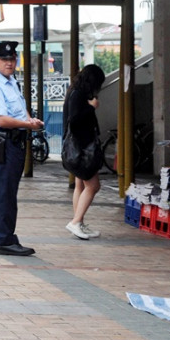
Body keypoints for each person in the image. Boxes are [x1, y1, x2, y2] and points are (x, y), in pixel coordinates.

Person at [0, 41, 44, 256]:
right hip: (4, 142)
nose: (9, 63)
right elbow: (0, 119)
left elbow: (19, 110)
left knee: (5, 192)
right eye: (5, 59)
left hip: (13, 141)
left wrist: (29, 119)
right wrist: (28, 125)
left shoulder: (10, 82)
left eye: (12, 59)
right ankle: (5, 240)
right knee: (6, 193)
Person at [62, 64, 106, 240]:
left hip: (79, 150)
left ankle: (78, 223)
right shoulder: (79, 95)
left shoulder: (74, 92)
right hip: (82, 149)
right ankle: (75, 221)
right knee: (93, 186)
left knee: (80, 185)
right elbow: (75, 119)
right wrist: (91, 107)